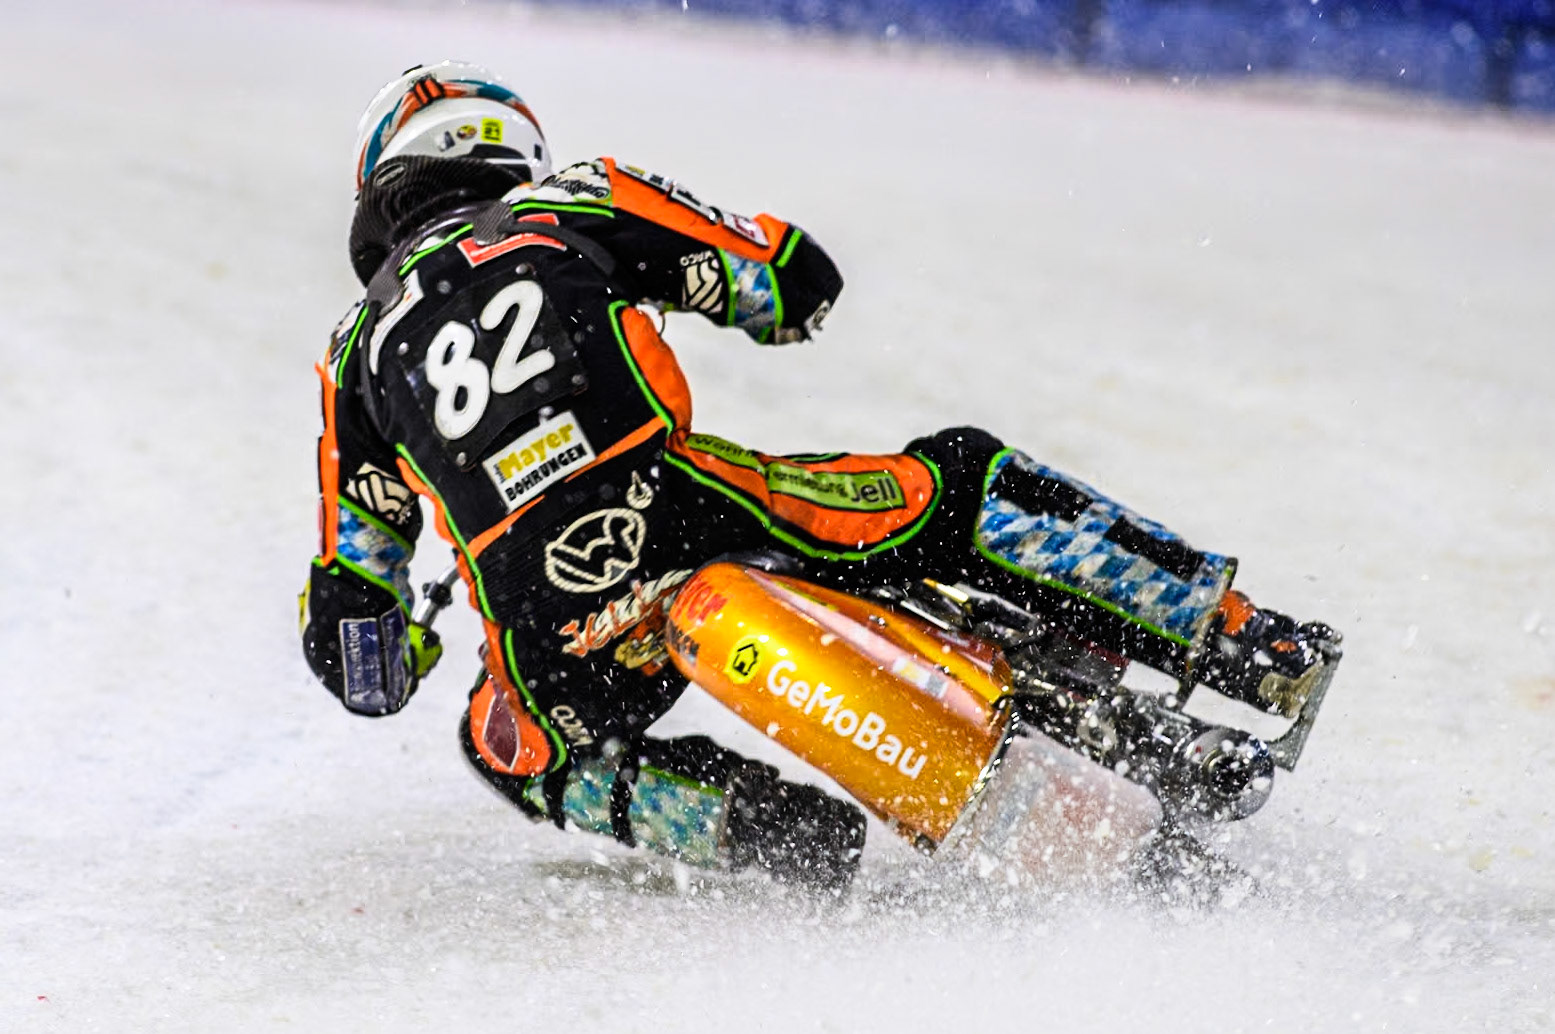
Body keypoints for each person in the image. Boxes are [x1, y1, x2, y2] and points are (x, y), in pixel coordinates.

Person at [301, 62, 1340, 890]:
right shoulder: (575, 200)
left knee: (513, 748)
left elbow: (359, 645)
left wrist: (414, 631)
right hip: (681, 507)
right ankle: (1243, 637)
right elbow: (793, 285)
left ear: (380, 188)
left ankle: (778, 837)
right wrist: (723, 273)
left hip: (549, 631)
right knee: (956, 483)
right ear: (509, 151)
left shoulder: (354, 356)